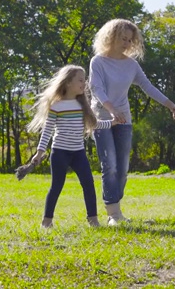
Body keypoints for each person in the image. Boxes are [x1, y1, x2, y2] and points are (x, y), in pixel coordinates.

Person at [89, 18, 175, 226]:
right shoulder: (98, 62)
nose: (127, 44)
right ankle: (113, 213)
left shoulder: (131, 65)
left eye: (130, 40)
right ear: (110, 37)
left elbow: (148, 87)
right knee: (110, 165)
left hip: (124, 120)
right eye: (123, 38)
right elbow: (96, 89)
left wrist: (172, 106)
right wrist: (111, 110)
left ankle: (116, 210)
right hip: (103, 119)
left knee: (122, 169)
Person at [28, 65, 119, 228]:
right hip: (60, 153)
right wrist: (40, 152)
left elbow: (95, 124)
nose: (84, 84)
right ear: (68, 82)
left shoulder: (82, 106)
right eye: (80, 80)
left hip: (78, 153)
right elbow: (47, 131)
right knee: (56, 186)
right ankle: (46, 221)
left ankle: (93, 220)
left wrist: (113, 123)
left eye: (84, 80)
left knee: (88, 184)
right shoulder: (56, 106)